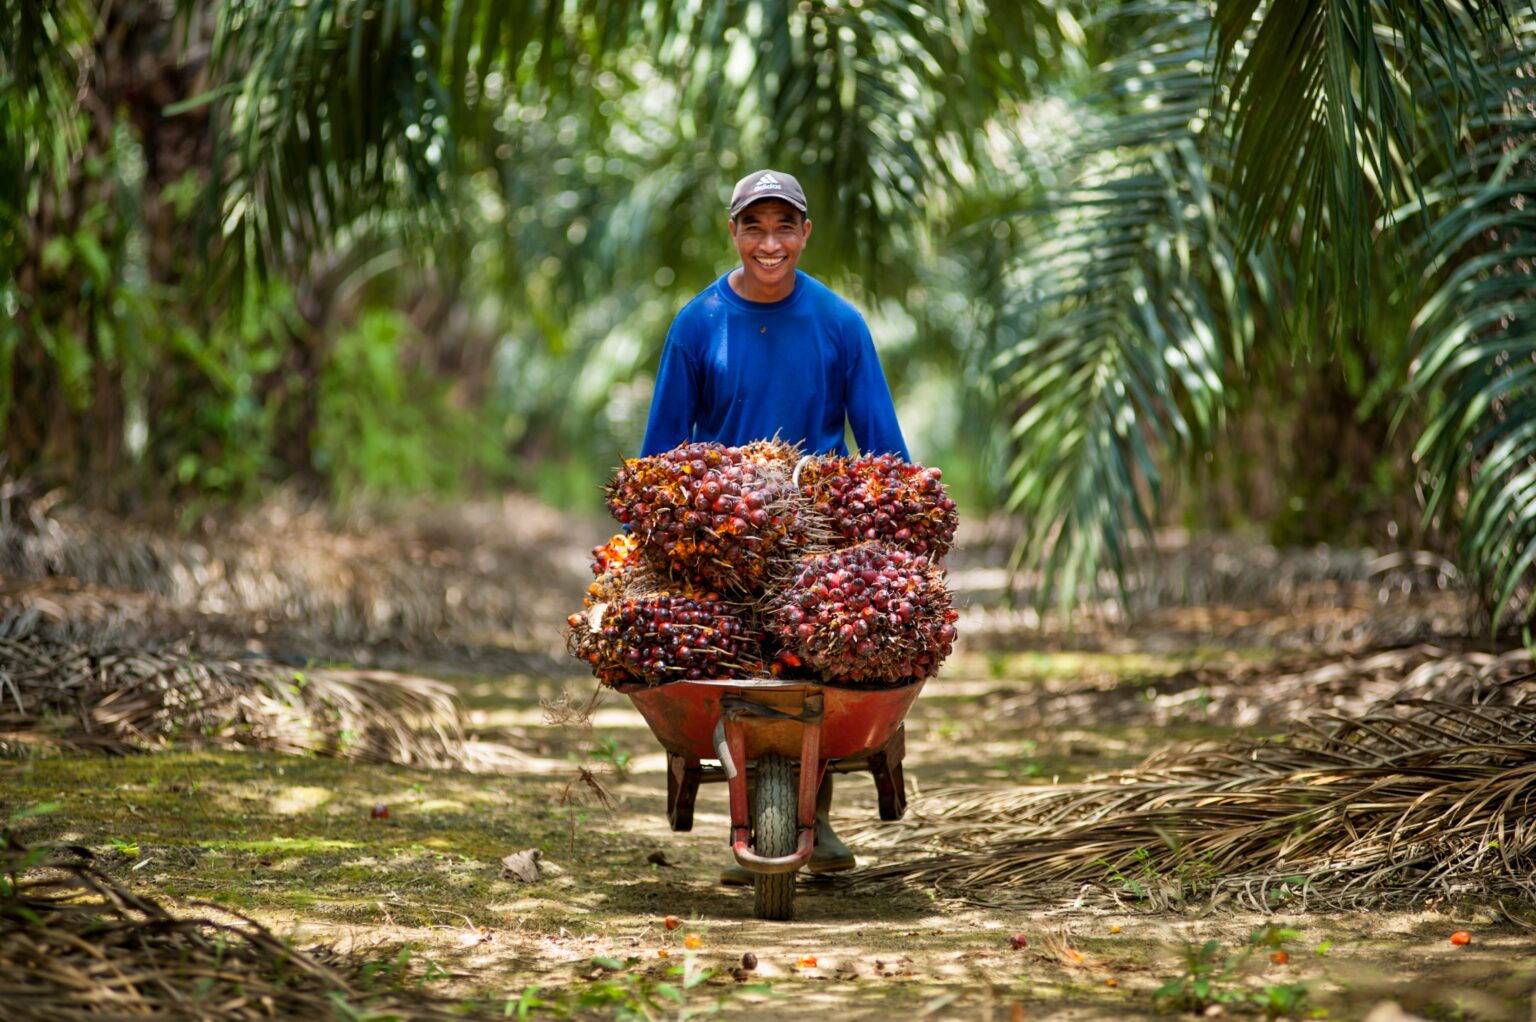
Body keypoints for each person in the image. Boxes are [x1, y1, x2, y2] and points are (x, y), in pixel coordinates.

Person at [639, 168, 910, 884]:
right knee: (730, 667)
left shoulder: (840, 325)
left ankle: (810, 811)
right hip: (719, 538)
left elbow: (882, 448)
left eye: (783, 226)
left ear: (805, 233)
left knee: (820, 658)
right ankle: (755, 803)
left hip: (816, 536)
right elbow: (664, 451)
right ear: (733, 233)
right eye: (753, 227)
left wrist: (898, 530)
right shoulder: (697, 325)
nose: (769, 243)